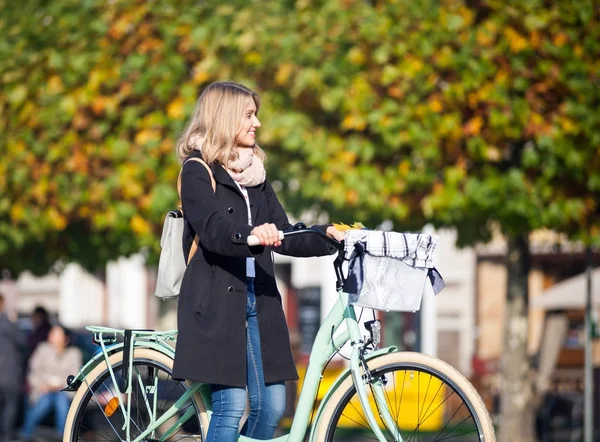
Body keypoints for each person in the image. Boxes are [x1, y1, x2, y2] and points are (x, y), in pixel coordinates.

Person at [171, 81, 345, 442]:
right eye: (249, 115)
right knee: (232, 406)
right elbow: (215, 229)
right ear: (227, 118)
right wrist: (250, 235)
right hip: (216, 301)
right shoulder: (197, 170)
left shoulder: (256, 174)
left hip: (259, 299)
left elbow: (283, 232)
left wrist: (327, 236)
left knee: (271, 408)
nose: (257, 124)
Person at [20, 324, 82, 441]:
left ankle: (63, 435)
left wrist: (61, 385)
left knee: (62, 403)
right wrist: (41, 385)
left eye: (57, 334)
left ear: (66, 338)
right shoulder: (42, 349)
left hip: (63, 390)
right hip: (43, 388)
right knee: (42, 404)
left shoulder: (74, 353)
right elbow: (33, 371)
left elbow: (75, 376)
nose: (53, 336)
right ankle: (26, 433)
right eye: (52, 333)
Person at [0, 293, 26, 442]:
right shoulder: (8, 324)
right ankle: (6, 437)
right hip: (9, 373)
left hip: (7, 372)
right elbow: (23, 344)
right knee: (10, 408)